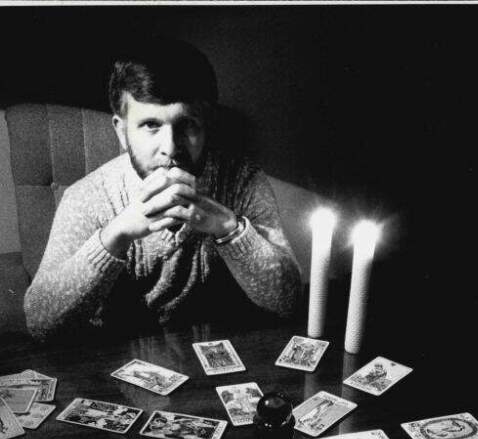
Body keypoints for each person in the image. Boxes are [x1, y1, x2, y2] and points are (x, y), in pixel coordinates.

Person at [24, 39, 301, 340]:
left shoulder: (243, 180)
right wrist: (114, 236)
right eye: (151, 126)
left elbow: (287, 302)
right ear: (121, 130)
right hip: (111, 361)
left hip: (213, 352)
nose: (170, 148)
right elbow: (40, 324)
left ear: (207, 125)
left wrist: (228, 227)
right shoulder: (87, 196)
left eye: (188, 125)